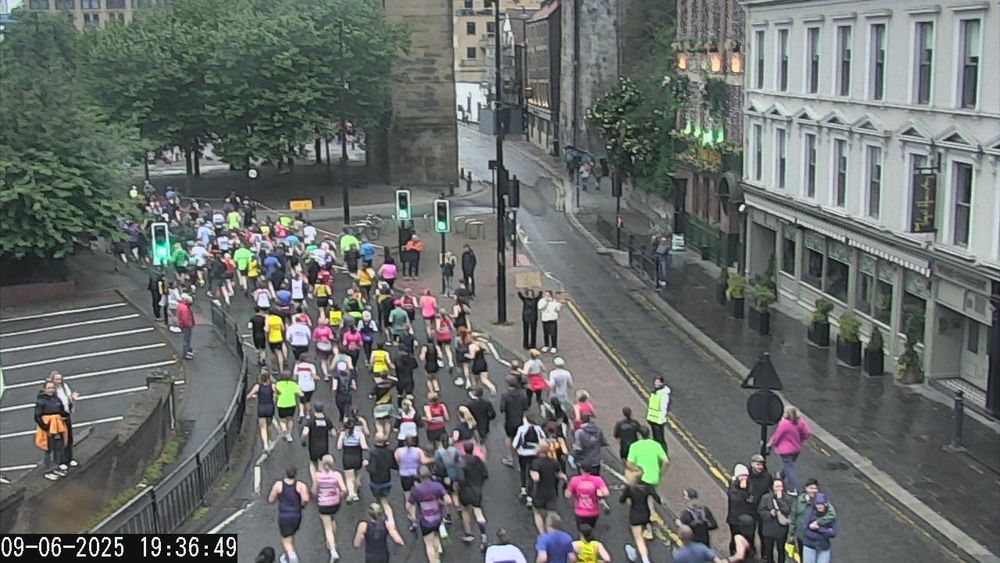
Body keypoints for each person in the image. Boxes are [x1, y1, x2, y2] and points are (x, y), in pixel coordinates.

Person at [408, 465, 451, 563]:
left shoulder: (416, 490)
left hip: (425, 521)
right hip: (438, 517)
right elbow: (448, 501)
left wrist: (412, 516)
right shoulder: (437, 486)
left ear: (419, 476)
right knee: (435, 534)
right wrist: (441, 503)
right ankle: (438, 554)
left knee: (428, 543)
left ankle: (434, 560)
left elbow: (409, 505)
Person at [267, 467, 309, 563]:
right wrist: (302, 505)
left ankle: (293, 559)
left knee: (286, 541)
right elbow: (306, 499)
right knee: (290, 537)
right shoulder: (300, 485)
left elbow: (271, 499)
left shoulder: (279, 485)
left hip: (284, 517)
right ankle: (286, 558)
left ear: (286, 473)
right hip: (296, 515)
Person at [620, 468, 662, 563]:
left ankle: (645, 559)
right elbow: (658, 499)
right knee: (642, 533)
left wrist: (628, 499)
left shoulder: (630, 488)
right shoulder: (648, 487)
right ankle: (647, 530)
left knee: (639, 539)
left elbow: (621, 500)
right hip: (646, 515)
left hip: (635, 516)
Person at [767, 406, 813, 494]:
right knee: (789, 465)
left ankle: (793, 488)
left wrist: (771, 444)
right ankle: (780, 474)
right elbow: (808, 432)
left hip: (785, 450)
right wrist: (802, 439)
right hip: (796, 449)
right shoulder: (800, 422)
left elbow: (777, 436)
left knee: (790, 468)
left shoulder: (785, 424)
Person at [790, 479, 837, 558]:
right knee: (803, 557)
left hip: (817, 537)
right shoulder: (799, 500)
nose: (814, 490)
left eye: (815, 488)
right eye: (811, 488)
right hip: (801, 536)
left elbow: (832, 514)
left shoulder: (821, 501)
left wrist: (818, 522)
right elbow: (793, 517)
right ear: (806, 488)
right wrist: (791, 533)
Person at [312, 454, 346, 562]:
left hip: (323, 504)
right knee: (333, 520)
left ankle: (333, 551)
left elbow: (314, 490)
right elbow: (344, 490)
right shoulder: (337, 475)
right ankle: (332, 542)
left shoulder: (318, 476)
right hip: (335, 503)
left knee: (327, 528)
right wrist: (339, 495)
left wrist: (316, 495)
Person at [34, 380, 69, 481]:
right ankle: (49, 470)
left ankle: (56, 467)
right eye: (49, 388)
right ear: (44, 389)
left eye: (52, 388)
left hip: (58, 428)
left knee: (58, 448)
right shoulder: (41, 402)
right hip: (48, 429)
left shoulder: (57, 399)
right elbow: (37, 416)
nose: (51, 390)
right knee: (48, 449)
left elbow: (62, 412)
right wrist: (45, 427)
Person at [457, 441, 490, 548]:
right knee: (478, 511)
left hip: (465, 490)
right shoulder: (479, 461)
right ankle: (483, 535)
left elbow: (460, 478)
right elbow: (485, 475)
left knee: (465, 510)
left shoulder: (461, 462)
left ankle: (468, 533)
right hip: (477, 490)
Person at [530, 441, 567, 534]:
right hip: (552, 492)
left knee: (537, 512)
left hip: (539, 493)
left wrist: (532, 473)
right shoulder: (554, 462)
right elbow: (560, 475)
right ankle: (549, 532)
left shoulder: (536, 463)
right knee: (550, 514)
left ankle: (542, 534)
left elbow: (536, 478)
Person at [513, 412, 545, 507]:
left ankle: (523, 490)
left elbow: (516, 443)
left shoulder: (522, 429)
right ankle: (530, 497)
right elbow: (543, 441)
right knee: (531, 473)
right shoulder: (538, 429)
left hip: (523, 454)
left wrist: (516, 448)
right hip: (535, 454)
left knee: (523, 471)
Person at [565, 464, 609, 531]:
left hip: (580, 512)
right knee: (590, 531)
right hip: (593, 512)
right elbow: (606, 493)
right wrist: (598, 495)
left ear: (581, 470)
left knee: (581, 532)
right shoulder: (597, 480)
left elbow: (567, 495)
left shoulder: (574, 480)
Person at [49, 372, 79, 467]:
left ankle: (70, 458)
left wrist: (72, 399)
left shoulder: (64, 386)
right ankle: (61, 461)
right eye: (57, 379)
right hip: (57, 418)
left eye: (60, 379)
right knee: (60, 439)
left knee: (69, 438)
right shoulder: (51, 390)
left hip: (66, 415)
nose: (59, 381)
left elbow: (69, 397)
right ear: (52, 380)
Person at [758, 478, 792, 563]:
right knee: (768, 551)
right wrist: (769, 514)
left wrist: (780, 500)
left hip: (781, 530)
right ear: (772, 487)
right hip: (768, 529)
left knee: (781, 550)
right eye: (776, 486)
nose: (778, 488)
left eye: (780, 486)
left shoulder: (787, 498)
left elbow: (787, 510)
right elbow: (760, 510)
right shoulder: (766, 497)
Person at [727, 464, 757, 555]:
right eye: (742, 476)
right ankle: (734, 552)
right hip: (735, 519)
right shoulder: (732, 487)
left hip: (748, 518)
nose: (744, 478)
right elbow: (736, 499)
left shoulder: (750, 486)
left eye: (746, 476)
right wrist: (744, 491)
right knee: (736, 537)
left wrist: (748, 494)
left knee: (749, 537)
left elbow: (752, 498)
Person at [337, 418, 369, 502]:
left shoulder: (343, 434)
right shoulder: (359, 434)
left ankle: (351, 493)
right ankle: (355, 492)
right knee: (357, 475)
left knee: (349, 477)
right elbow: (364, 446)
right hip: (357, 457)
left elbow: (339, 447)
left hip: (347, 457)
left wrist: (341, 436)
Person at [500, 375, 529, 468]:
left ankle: (510, 458)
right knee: (520, 438)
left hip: (510, 421)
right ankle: (522, 456)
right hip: (520, 420)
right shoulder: (523, 394)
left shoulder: (505, 395)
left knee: (509, 438)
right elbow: (526, 408)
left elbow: (502, 409)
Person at [301, 402, 334, 478]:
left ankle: (315, 479)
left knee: (313, 463)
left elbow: (305, 433)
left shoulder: (311, 421)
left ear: (314, 409)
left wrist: (303, 440)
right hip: (324, 446)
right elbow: (334, 433)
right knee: (322, 463)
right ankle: (322, 478)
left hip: (313, 446)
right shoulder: (327, 420)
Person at [747, 454, 774, 549]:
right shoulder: (746, 476)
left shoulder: (767, 477)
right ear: (752, 464)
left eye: (762, 464)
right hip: (749, 509)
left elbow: (772, 491)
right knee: (749, 532)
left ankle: (764, 554)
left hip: (762, 509)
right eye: (758, 464)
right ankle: (751, 550)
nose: (760, 467)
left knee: (763, 533)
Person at [801, 494, 837, 563]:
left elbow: (834, 533)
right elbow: (805, 529)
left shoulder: (830, 516)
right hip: (809, 546)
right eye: (818, 504)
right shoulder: (809, 513)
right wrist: (826, 531)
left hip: (824, 547)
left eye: (822, 504)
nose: (820, 506)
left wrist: (818, 529)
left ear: (826, 504)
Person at [247, 370, 277, 451]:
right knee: (269, 425)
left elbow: (248, 396)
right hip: (270, 407)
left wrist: (254, 395)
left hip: (261, 408)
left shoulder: (257, 387)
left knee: (262, 427)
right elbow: (279, 393)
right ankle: (270, 439)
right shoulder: (272, 386)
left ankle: (265, 444)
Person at [573, 413, 607, 477]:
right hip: (595, 461)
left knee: (583, 482)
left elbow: (578, 448)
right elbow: (603, 443)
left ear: (582, 420)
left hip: (583, 462)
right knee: (595, 480)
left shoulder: (579, 432)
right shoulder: (598, 430)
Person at [274, 372, 303, 442]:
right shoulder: (293, 384)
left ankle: (284, 430)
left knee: (282, 420)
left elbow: (276, 394)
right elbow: (301, 394)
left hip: (281, 404)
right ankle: (289, 434)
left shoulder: (278, 384)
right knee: (290, 419)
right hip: (291, 404)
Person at [645, 376, 671, 451]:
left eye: (658, 382)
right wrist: (649, 417)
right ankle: (657, 452)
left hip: (658, 421)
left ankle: (664, 454)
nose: (655, 383)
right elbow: (651, 406)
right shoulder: (655, 391)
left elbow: (663, 408)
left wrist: (660, 420)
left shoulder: (663, 394)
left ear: (662, 383)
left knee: (660, 439)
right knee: (655, 438)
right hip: (652, 419)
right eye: (655, 381)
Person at [293, 354, 319, 420]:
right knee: (307, 400)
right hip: (310, 386)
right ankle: (308, 415)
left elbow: (294, 377)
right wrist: (317, 378)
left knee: (301, 400)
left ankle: (301, 412)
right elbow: (314, 376)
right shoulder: (311, 366)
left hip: (301, 386)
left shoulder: (298, 366)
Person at [176, 293, 195, 360]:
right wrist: (190, 325)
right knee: (186, 340)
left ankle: (188, 351)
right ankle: (185, 354)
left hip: (183, 325)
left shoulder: (181, 305)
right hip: (186, 326)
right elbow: (186, 319)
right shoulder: (185, 309)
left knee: (186, 340)